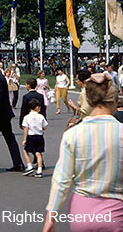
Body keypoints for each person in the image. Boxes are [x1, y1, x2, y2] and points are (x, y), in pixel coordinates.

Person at [43, 73, 123, 232]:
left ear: (89, 101)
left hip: (82, 211)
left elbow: (61, 180)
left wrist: (50, 217)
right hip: (116, 212)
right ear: (114, 102)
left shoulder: (73, 134)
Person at [21, 99, 48, 178]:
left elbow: (26, 128)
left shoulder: (26, 117)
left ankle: (29, 166)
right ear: (36, 107)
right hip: (39, 136)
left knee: (25, 150)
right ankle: (39, 170)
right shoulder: (41, 116)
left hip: (30, 136)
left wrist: (24, 139)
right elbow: (44, 127)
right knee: (38, 153)